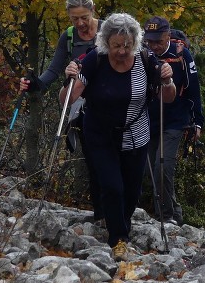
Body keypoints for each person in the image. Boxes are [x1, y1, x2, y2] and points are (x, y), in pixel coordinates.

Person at [59, 13, 175, 260]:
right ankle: (118, 239)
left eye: (127, 45)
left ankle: (120, 223)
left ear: (135, 42)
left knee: (131, 192)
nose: (122, 51)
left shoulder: (146, 60)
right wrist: (69, 79)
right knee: (113, 187)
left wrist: (167, 78)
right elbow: (67, 100)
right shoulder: (94, 60)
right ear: (105, 42)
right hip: (100, 134)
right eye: (116, 46)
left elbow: (169, 97)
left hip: (136, 133)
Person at [20, 0, 100, 216]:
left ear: (93, 11)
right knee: (93, 159)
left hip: (110, 101)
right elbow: (54, 70)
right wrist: (35, 84)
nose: (81, 23)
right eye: (75, 19)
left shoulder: (107, 31)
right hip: (82, 105)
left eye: (84, 17)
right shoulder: (69, 36)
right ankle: (100, 213)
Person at [143, 16, 204, 226]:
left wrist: (198, 121)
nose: (154, 46)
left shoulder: (182, 54)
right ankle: (174, 214)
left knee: (164, 166)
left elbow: (194, 89)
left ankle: (166, 217)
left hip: (176, 120)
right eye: (149, 41)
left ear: (167, 36)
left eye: (158, 41)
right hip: (148, 120)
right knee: (151, 171)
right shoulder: (142, 54)